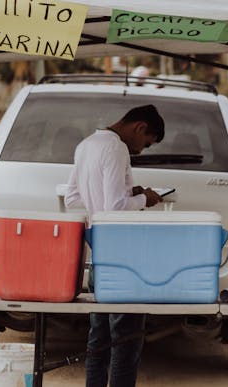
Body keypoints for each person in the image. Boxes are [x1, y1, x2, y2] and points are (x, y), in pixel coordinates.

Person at [63, 104, 165, 387]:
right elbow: (115, 208)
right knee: (126, 340)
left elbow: (73, 198)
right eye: (145, 143)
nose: (141, 151)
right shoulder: (117, 148)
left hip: (99, 253)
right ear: (140, 127)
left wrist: (121, 193)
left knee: (99, 338)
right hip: (124, 256)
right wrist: (145, 199)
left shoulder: (86, 145)